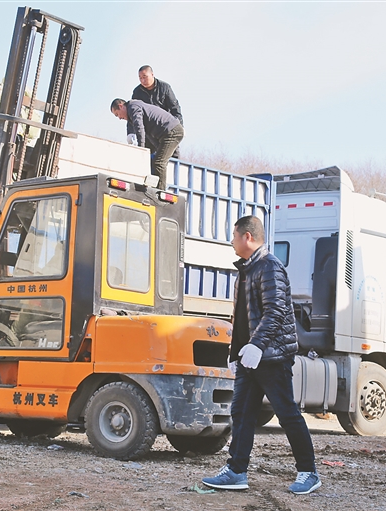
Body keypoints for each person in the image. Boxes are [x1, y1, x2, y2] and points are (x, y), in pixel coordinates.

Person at [201, 215, 321, 495]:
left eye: (233, 236)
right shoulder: (247, 269)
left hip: (271, 356)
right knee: (241, 413)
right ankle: (236, 471)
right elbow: (246, 316)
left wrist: (257, 345)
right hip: (249, 358)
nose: (231, 241)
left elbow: (276, 310)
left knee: (287, 413)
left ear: (247, 237)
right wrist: (239, 351)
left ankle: (309, 472)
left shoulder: (269, 267)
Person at [110, 98, 183, 189]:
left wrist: (141, 149)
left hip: (172, 131)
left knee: (159, 163)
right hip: (167, 133)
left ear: (121, 106)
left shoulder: (133, 107)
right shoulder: (135, 109)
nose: (120, 118)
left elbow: (139, 128)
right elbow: (149, 137)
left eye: (117, 114)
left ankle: (160, 192)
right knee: (156, 159)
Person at [131, 65, 182, 158]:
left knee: (172, 157)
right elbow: (132, 113)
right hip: (148, 133)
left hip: (166, 129)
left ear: (152, 74)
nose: (143, 81)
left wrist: (180, 127)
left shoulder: (165, 87)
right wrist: (130, 133)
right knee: (145, 158)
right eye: (140, 78)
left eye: (145, 77)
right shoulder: (137, 92)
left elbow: (175, 109)